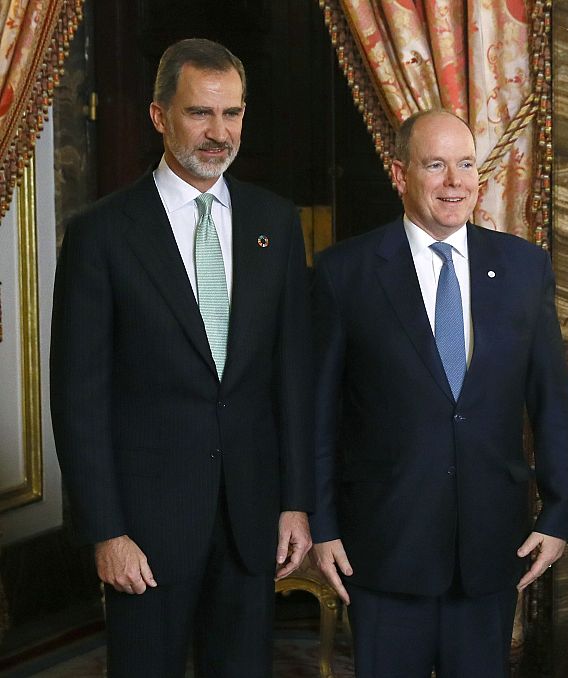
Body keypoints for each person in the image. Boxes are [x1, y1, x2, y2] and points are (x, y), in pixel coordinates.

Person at [49, 38, 314, 677]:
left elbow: (293, 377)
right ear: (158, 115)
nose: (219, 133)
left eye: (233, 114)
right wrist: (106, 532)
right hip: (145, 528)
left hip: (251, 519)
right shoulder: (101, 234)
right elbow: (77, 399)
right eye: (200, 113)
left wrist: (295, 501)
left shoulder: (274, 222)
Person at [310, 109, 568, 677]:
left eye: (465, 164)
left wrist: (560, 513)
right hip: (383, 544)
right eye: (435, 166)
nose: (455, 182)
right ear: (399, 173)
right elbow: (318, 414)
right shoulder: (345, 273)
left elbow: (552, 401)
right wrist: (322, 524)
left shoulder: (523, 267)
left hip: (491, 545)